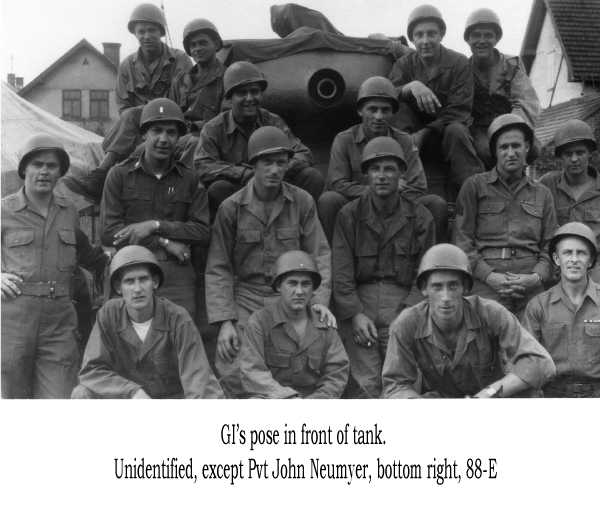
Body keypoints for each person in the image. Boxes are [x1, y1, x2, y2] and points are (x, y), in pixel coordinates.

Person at [205, 126, 333, 397]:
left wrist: (318, 302)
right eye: (267, 162)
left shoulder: (302, 202)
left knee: (299, 368)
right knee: (232, 368)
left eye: (281, 163)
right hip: (245, 297)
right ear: (253, 165)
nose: (275, 170)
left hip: (289, 297)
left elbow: (319, 254)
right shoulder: (231, 208)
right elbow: (218, 267)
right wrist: (224, 321)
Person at [1, 134, 110, 399]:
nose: (44, 171)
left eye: (52, 166)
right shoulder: (4, 210)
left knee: (59, 398)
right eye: (37, 164)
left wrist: (115, 258)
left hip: (59, 320)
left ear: (60, 172)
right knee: (11, 398)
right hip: (14, 318)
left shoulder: (68, 210)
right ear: (24, 169)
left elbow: (85, 252)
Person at [332, 137, 435, 398]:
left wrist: (408, 313)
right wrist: (355, 314)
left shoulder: (421, 217)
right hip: (361, 305)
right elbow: (342, 273)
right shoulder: (349, 215)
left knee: (403, 384)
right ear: (365, 174)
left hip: (403, 304)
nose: (381, 176)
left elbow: (426, 276)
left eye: (389, 169)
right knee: (367, 387)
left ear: (402, 173)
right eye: (374, 169)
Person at [382, 244, 555, 398]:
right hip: (442, 405)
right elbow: (395, 385)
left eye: (453, 286)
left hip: (492, 400)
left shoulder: (490, 313)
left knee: (527, 392)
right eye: (437, 287)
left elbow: (542, 362)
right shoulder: (407, 323)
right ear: (424, 289)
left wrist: (490, 393)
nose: (445, 297)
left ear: (465, 287)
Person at [63, 3, 192, 203]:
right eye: (141, 31)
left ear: (161, 32)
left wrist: (148, 114)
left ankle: (100, 175)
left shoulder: (180, 60)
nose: (146, 36)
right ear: (135, 34)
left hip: (171, 124)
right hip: (137, 133)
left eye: (152, 30)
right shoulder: (127, 66)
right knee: (130, 115)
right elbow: (123, 106)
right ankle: (104, 182)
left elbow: (182, 101)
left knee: (134, 113)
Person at [100, 98, 209, 321]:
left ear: (179, 137)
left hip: (175, 274)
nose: (163, 139)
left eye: (170, 132)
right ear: (143, 135)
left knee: (179, 339)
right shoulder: (119, 174)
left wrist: (155, 225)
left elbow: (201, 231)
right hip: (130, 270)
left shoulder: (189, 178)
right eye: (156, 131)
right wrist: (163, 241)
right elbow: (109, 232)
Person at [72, 246, 224, 399]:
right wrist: (132, 391)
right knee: (81, 394)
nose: (137, 289)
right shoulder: (109, 315)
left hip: (171, 405)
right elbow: (91, 370)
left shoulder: (178, 319)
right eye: (129, 282)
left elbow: (199, 380)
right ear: (118, 287)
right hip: (130, 401)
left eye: (143, 279)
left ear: (155, 282)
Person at [317, 76, 447, 245]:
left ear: (392, 113)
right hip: (358, 211)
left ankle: (425, 263)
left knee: (436, 204)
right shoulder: (344, 140)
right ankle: (337, 259)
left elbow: (419, 187)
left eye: (385, 110)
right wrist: (376, 191)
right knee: (328, 200)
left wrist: (390, 200)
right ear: (360, 111)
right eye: (372, 109)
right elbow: (336, 184)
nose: (379, 116)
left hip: (398, 211)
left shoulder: (404, 141)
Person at [453, 114, 558, 320]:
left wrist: (536, 278)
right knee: (484, 338)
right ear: (495, 151)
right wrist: (489, 276)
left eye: (516, 146)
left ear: (527, 147)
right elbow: (462, 241)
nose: (510, 153)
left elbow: (551, 246)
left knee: (536, 340)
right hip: (486, 282)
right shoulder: (474, 186)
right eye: (503, 147)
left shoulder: (542, 193)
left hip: (530, 283)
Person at [192, 61, 324, 216]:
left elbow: (303, 154)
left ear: (261, 94)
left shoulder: (273, 121)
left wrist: (276, 169)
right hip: (240, 193)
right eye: (241, 93)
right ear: (229, 98)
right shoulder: (214, 128)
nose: (249, 98)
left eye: (254, 92)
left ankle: (297, 225)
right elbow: (203, 165)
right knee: (218, 188)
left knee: (311, 176)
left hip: (275, 187)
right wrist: (241, 173)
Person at [388, 4, 484, 195]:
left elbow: (459, 111)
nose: (425, 41)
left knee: (457, 130)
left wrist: (425, 133)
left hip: (445, 134)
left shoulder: (459, 63)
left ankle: (473, 195)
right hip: (409, 134)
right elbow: (385, 96)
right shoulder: (404, 64)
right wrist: (410, 87)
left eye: (431, 34)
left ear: (441, 34)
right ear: (413, 39)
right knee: (397, 110)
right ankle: (400, 187)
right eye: (419, 35)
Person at [240, 251, 349, 399]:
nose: (299, 291)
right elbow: (253, 373)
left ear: (313, 289)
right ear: (279, 286)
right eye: (292, 283)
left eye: (305, 284)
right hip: (274, 401)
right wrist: (288, 399)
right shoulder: (259, 322)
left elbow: (337, 374)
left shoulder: (325, 324)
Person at [522, 223, 600, 398]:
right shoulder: (539, 306)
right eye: (567, 253)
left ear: (591, 260)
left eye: (581, 253)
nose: (574, 259)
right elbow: (527, 361)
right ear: (557, 259)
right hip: (552, 395)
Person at [464, 8, 540, 170]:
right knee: (485, 150)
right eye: (476, 35)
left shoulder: (511, 65)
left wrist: (508, 131)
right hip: (481, 129)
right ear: (468, 40)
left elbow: (526, 103)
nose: (482, 41)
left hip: (512, 122)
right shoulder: (463, 70)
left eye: (488, 35)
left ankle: (517, 182)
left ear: (496, 39)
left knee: (532, 147)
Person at [538, 120, 600, 281]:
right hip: (557, 269)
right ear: (560, 156)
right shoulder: (548, 184)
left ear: (589, 153)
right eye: (568, 154)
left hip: (595, 270)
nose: (574, 159)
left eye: (580, 153)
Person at [167, 18, 226, 168]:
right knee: (141, 150)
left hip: (210, 140)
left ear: (216, 45)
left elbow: (228, 119)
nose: (197, 48)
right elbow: (169, 113)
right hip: (179, 138)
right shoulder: (180, 80)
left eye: (203, 43)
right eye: (193, 45)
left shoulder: (227, 78)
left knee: (194, 144)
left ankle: (184, 189)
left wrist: (194, 134)